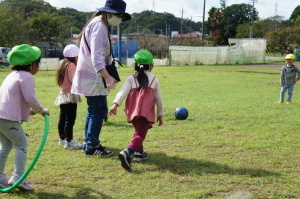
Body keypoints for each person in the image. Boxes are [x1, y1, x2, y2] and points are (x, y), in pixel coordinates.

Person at [71, 0, 131, 157]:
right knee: (99, 110)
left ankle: (89, 143)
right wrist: (107, 77)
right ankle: (92, 146)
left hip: (90, 75)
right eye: (118, 15)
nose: (119, 19)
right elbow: (96, 56)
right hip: (93, 76)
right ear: (108, 13)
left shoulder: (100, 24)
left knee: (94, 110)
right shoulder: (99, 27)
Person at [0, 44, 50, 190]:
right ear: (33, 65)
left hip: (1, 117)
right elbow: (31, 99)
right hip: (8, 119)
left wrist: (29, 111)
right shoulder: (26, 77)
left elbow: (12, 99)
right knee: (21, 144)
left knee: (6, 145)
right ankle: (19, 177)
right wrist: (41, 110)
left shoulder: (12, 76)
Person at [109, 50, 164, 170]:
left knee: (138, 131)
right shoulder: (154, 79)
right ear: (151, 65)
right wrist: (160, 114)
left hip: (132, 111)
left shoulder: (131, 78)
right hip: (146, 112)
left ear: (136, 65)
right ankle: (127, 152)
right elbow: (159, 98)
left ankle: (139, 153)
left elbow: (122, 92)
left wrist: (115, 105)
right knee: (140, 135)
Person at [55, 44, 82, 149]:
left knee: (62, 118)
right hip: (70, 96)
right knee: (70, 120)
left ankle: (62, 139)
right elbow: (74, 80)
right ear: (76, 57)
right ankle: (69, 141)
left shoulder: (63, 64)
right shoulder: (71, 65)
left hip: (62, 95)